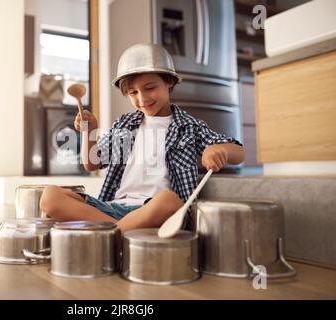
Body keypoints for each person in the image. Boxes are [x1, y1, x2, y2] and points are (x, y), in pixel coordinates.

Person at [40, 43, 245, 233]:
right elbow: (92, 163)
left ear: (169, 83)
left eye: (150, 88)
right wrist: (88, 132)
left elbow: (239, 152)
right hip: (111, 208)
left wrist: (220, 150)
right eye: (133, 92)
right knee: (50, 197)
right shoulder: (124, 124)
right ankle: (118, 231)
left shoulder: (188, 126)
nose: (142, 98)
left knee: (169, 201)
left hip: (152, 210)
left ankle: (106, 234)